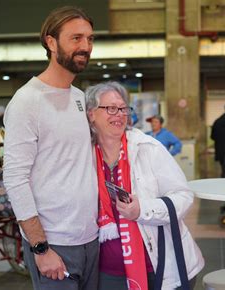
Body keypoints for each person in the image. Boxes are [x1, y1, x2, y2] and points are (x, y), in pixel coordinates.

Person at [2, 6, 98, 290]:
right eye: (76, 38)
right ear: (51, 42)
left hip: (90, 239)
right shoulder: (27, 101)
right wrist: (40, 247)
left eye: (90, 39)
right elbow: (15, 179)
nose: (86, 47)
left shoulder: (80, 97)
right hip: (54, 243)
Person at [85, 82, 204, 290]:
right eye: (111, 108)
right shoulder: (83, 155)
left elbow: (183, 196)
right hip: (107, 274)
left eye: (123, 108)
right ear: (91, 114)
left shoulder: (148, 148)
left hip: (159, 271)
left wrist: (143, 210)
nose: (119, 114)